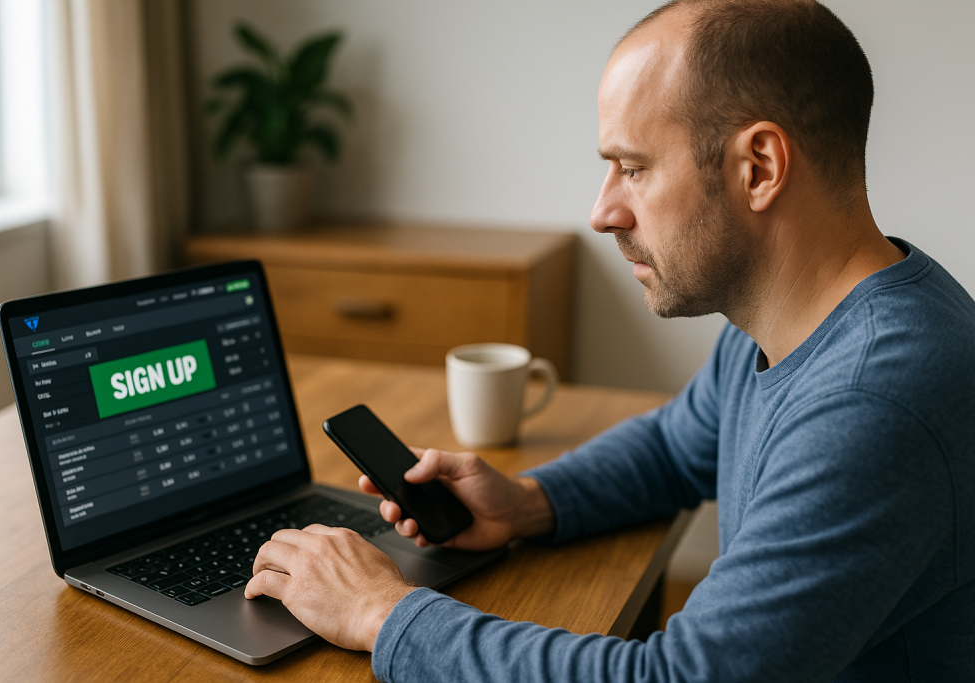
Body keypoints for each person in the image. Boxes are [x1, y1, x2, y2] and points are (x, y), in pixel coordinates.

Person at [243, 0, 975, 680]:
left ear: (758, 168)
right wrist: (528, 501)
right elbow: (674, 446)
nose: (602, 211)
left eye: (632, 168)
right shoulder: (795, 320)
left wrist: (383, 613)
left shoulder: (877, 395)